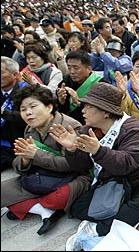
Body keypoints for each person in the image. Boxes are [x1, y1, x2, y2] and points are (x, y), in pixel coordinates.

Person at [50, 82, 139, 248]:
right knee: (77, 208)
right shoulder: (89, 130)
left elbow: (128, 163)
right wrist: (72, 150)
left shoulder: (133, 129)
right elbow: (81, 166)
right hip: (111, 179)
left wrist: (98, 151)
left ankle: (101, 228)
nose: (83, 110)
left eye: (89, 106)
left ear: (106, 112)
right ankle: (122, 221)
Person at [1, 84, 87, 235]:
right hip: (43, 176)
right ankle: (44, 210)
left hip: (72, 176)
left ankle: (36, 206)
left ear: (48, 107)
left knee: (59, 198)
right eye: (23, 110)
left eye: (33, 106)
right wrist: (26, 159)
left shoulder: (70, 127)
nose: (28, 113)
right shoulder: (29, 129)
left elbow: (73, 164)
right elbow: (18, 167)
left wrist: (36, 155)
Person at [56, 51, 108, 125]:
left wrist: (78, 103)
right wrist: (62, 102)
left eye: (76, 68)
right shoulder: (65, 82)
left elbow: (102, 114)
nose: (72, 72)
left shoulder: (101, 84)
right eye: (69, 67)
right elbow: (61, 112)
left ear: (89, 69)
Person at [1, 56, 28, 171]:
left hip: (14, 145)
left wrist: (3, 112)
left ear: (16, 74)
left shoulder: (26, 92)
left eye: (1, 72)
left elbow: (26, 118)